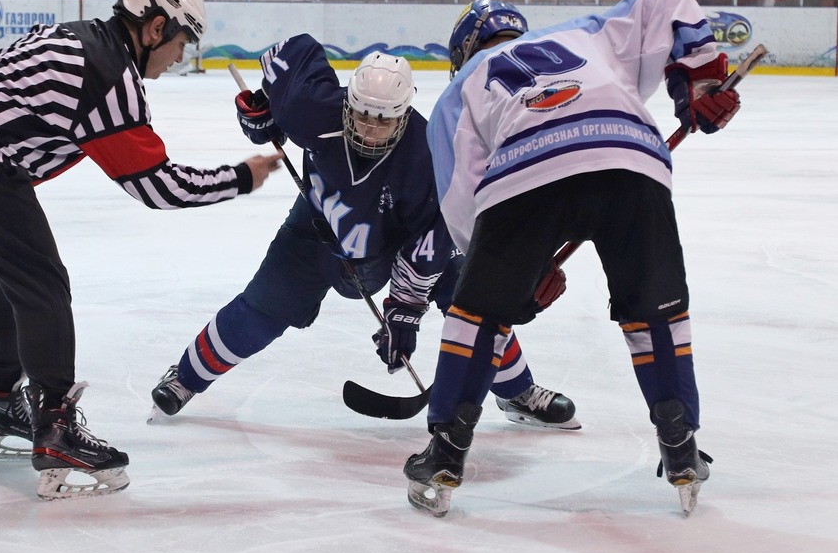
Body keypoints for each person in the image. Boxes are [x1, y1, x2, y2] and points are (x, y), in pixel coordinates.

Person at [0, 0, 281, 500]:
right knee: (42, 284)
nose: (182, 57)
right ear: (155, 28)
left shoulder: (79, 38)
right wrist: (240, 177)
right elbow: (158, 188)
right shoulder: (108, 73)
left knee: (11, 279)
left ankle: (1, 402)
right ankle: (56, 428)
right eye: (182, 42)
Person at [403, 0, 740, 518]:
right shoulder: (584, 34)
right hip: (629, 156)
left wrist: (512, 276)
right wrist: (700, 79)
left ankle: (445, 453)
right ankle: (681, 444)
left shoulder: (458, 91)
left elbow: (461, 201)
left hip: (522, 171)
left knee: (478, 315)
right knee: (655, 312)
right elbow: (669, 1)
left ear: (462, 52)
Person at [149, 34, 578, 432]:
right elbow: (290, 51)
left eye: (384, 121)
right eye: (363, 116)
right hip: (317, 226)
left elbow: (429, 245)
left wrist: (403, 314)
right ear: (347, 102)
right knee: (265, 306)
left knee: (469, 296)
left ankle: (516, 391)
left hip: (394, 243)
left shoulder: (428, 158)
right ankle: (185, 377)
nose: (370, 130)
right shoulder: (311, 107)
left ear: (405, 112)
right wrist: (263, 111)